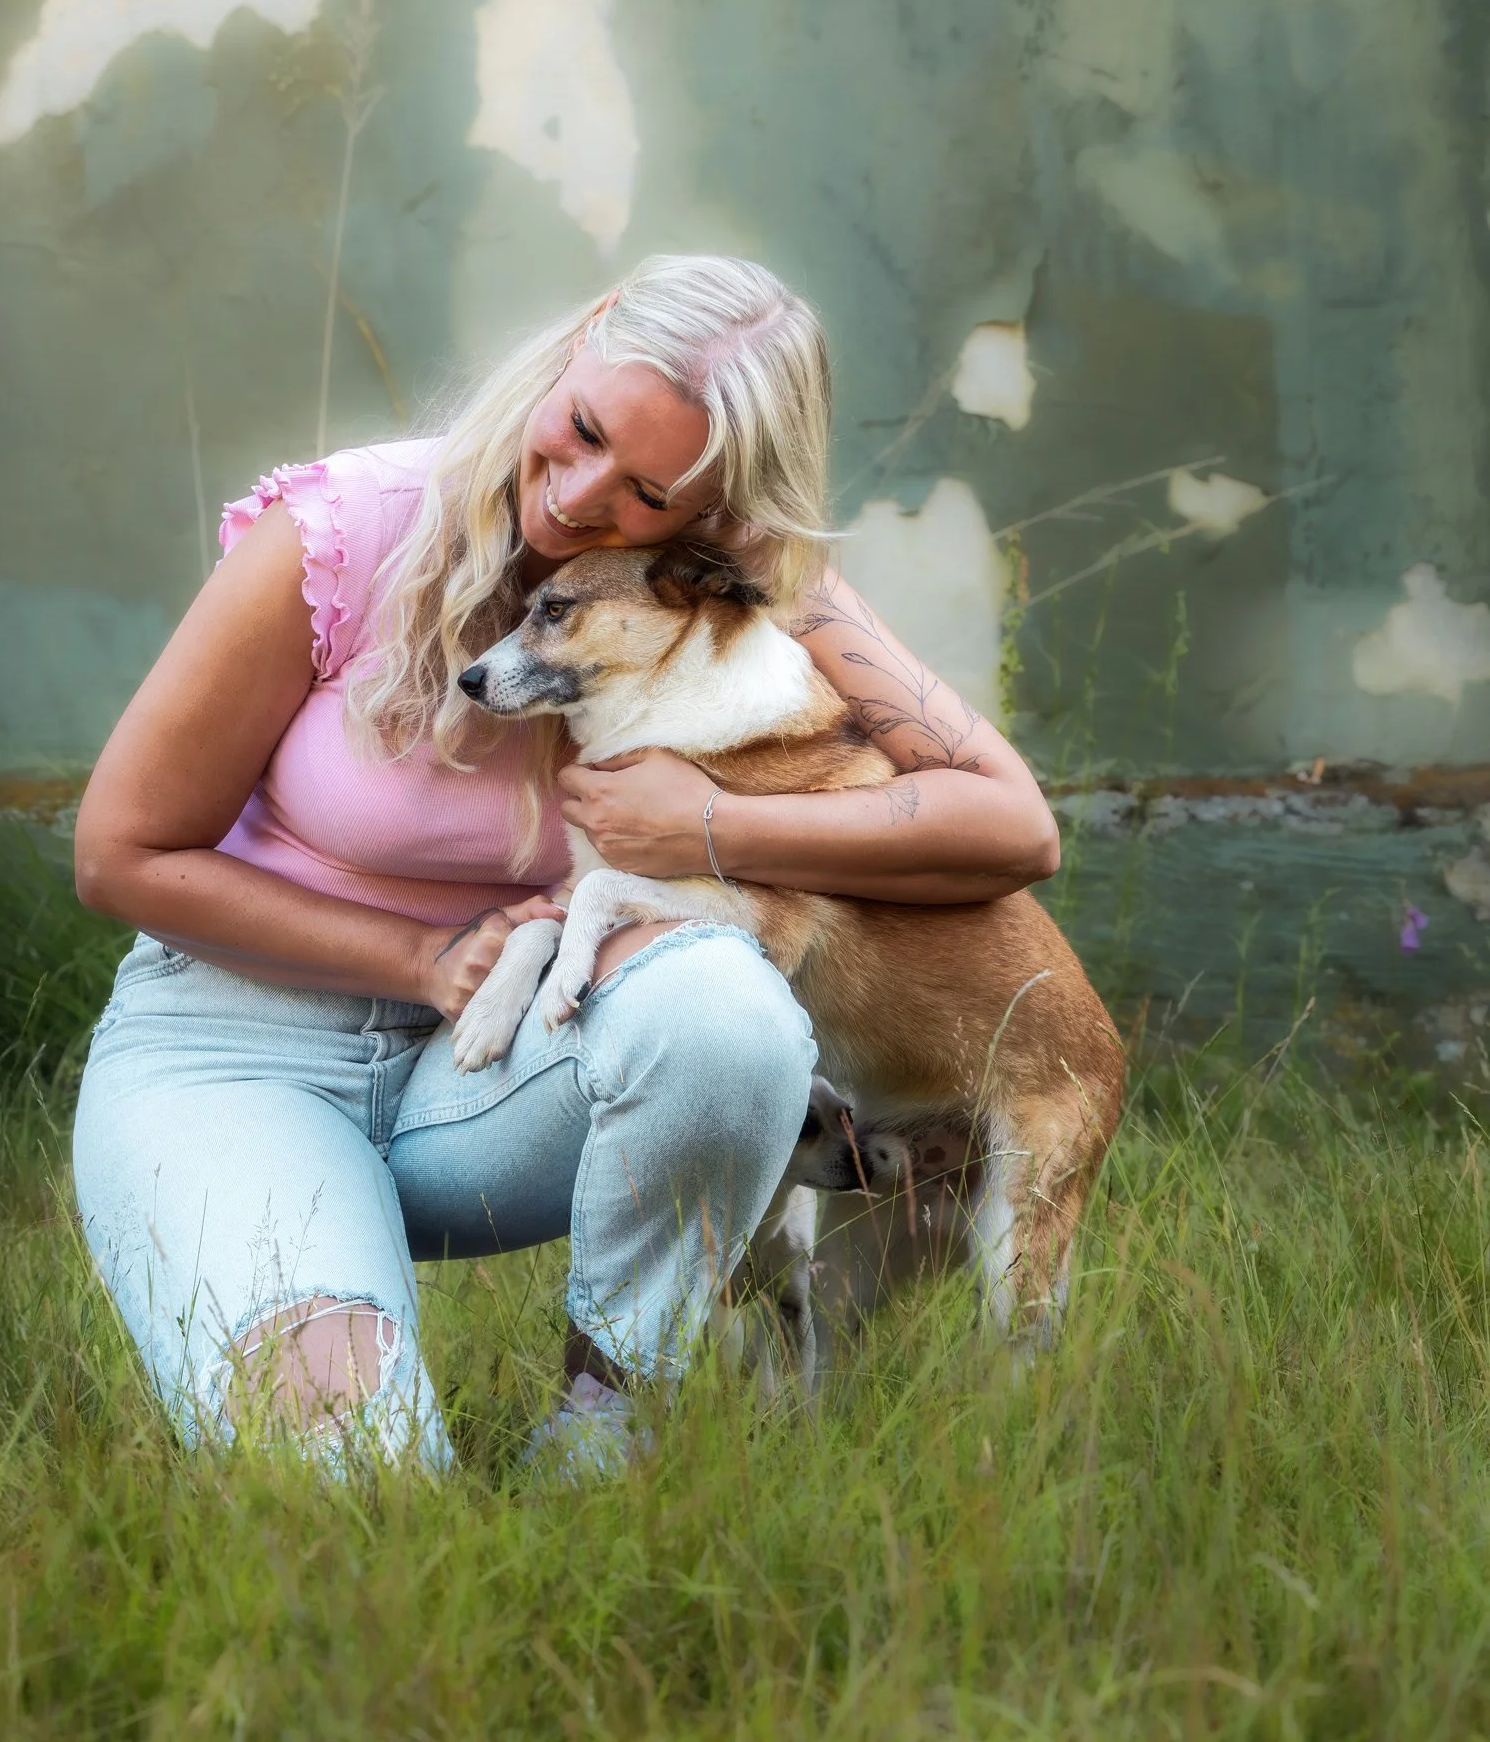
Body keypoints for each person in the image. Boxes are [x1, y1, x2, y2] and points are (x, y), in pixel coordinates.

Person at [71, 254, 1060, 1475]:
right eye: (583, 430)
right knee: (356, 1491)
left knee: (722, 1003)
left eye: (646, 489)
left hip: (506, 1069)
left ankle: (608, 1419)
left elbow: (1013, 825)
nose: (578, 497)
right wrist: (418, 956)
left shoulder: (729, 591)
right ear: (588, 334)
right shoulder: (342, 528)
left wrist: (708, 824)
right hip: (237, 1055)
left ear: (714, 511)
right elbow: (119, 853)